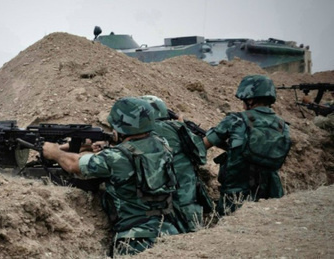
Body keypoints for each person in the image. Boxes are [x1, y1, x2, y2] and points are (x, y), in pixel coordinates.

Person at [42, 97, 179, 256]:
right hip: (168, 232)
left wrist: (54, 152)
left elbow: (73, 164)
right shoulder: (161, 143)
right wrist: (109, 146)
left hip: (136, 241)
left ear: (121, 128)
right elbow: (135, 152)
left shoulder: (116, 157)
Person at [203, 75, 291, 216]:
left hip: (236, 198)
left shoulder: (236, 120)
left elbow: (202, 145)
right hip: (272, 196)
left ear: (250, 99)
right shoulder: (283, 126)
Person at [139, 95, 213, 233]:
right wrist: (182, 126)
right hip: (187, 202)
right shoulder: (176, 128)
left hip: (154, 208)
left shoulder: (138, 134)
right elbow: (200, 154)